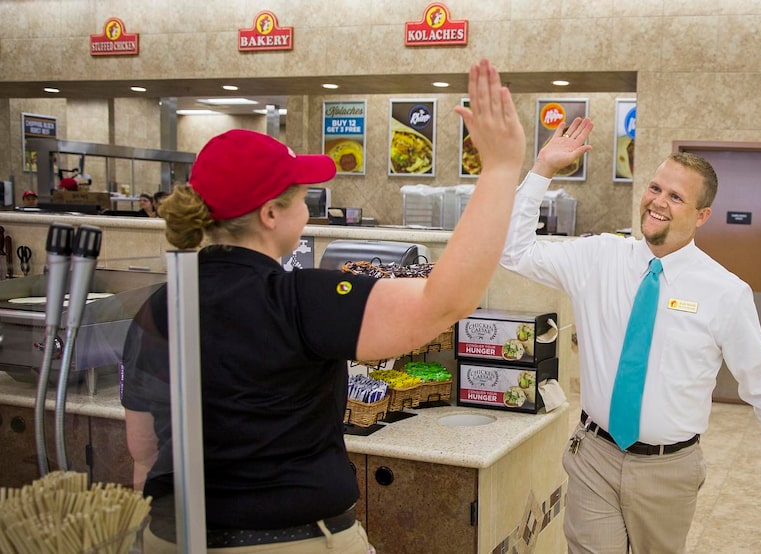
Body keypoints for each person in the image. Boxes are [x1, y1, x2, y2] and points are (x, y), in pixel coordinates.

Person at [121, 58, 531, 553]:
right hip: (291, 541)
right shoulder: (300, 298)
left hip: (168, 536)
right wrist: (502, 169)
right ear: (271, 214)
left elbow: (143, 454)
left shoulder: (162, 305)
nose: (309, 208)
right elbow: (445, 302)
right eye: (300, 197)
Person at [499, 118, 761, 553]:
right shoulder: (599, 257)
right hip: (594, 455)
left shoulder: (725, 291)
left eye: (675, 196)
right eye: (654, 188)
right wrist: (542, 170)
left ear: (702, 215)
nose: (657, 202)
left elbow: (760, 381)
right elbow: (513, 252)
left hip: (669, 471)